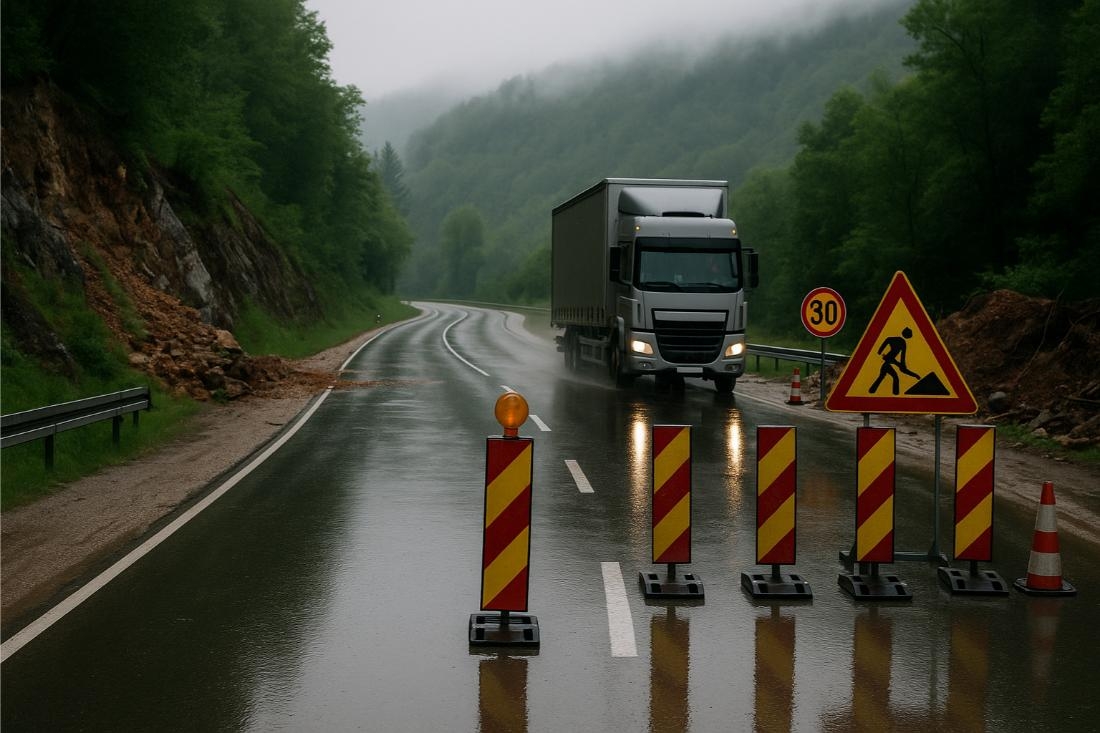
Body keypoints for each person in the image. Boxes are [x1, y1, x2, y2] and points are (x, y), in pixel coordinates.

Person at [869, 327, 920, 395]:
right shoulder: (903, 343)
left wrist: (881, 352)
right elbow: (902, 358)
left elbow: (881, 349)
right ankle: (895, 394)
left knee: (882, 377)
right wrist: (902, 365)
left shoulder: (891, 339)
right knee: (894, 377)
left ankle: (871, 391)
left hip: (887, 363)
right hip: (888, 363)